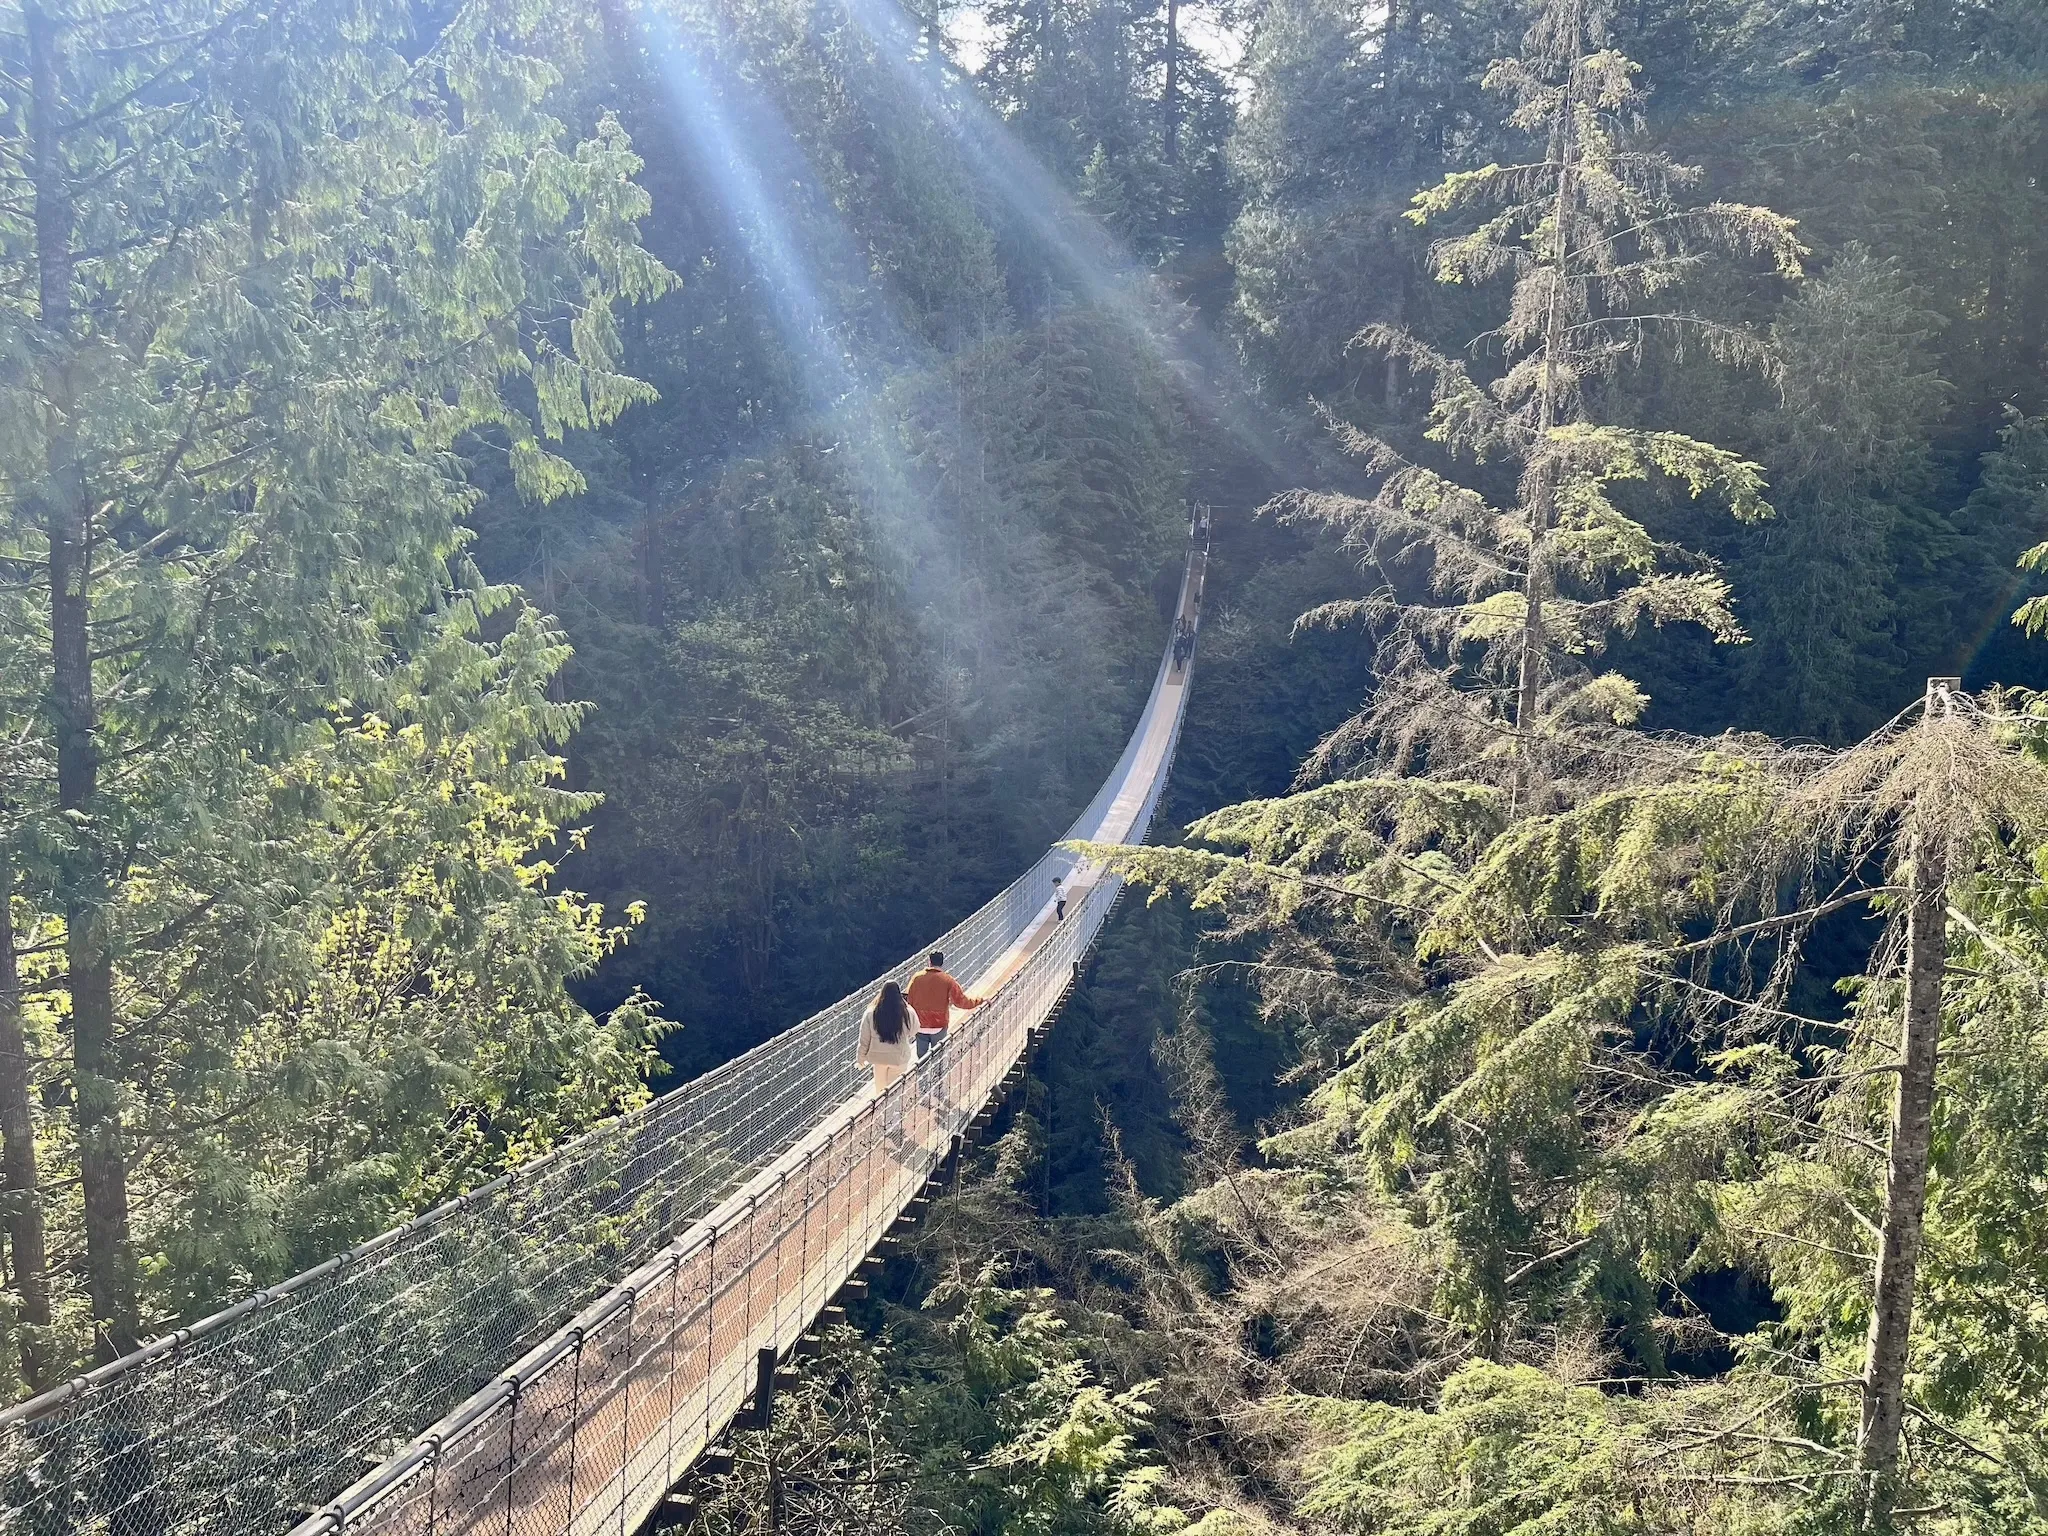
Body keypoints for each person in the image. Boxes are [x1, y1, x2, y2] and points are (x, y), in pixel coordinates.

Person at [856, 980, 916, 1093]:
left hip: (879, 1058)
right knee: (896, 1091)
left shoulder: (871, 1013)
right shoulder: (907, 1012)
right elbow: (913, 1030)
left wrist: (861, 1058)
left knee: (880, 1092)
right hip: (899, 1057)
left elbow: (864, 1039)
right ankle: (893, 1110)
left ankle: (882, 1110)